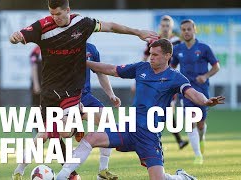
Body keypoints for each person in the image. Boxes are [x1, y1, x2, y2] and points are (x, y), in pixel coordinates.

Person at [9, 0, 158, 179]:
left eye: (58, 14)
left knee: (104, 120)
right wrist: (15, 36)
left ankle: (101, 169)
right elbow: (21, 34)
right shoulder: (43, 26)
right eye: (51, 13)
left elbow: (110, 26)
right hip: (50, 93)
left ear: (68, 10)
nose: (54, 18)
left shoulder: (82, 24)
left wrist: (138, 32)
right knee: (51, 134)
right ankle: (20, 170)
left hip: (74, 92)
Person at [56, 38, 225, 180]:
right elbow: (111, 69)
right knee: (91, 137)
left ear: (167, 56)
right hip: (128, 127)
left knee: (158, 178)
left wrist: (206, 101)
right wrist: (83, 62)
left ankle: (180, 177)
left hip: (149, 136)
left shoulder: (175, 77)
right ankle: (62, 176)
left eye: (155, 55)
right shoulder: (141, 68)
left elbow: (193, 93)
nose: (151, 58)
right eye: (150, 54)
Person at [171, 19, 220, 164]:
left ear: (194, 30)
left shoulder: (204, 48)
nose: (186, 32)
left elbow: (216, 66)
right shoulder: (178, 49)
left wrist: (205, 76)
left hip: (202, 90)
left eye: (188, 29)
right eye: (183, 30)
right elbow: (172, 68)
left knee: (200, 123)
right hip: (185, 91)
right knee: (190, 119)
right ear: (181, 32)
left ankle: (202, 136)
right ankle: (198, 155)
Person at [140, 15, 189, 149]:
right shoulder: (154, 41)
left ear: (171, 28)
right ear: (159, 27)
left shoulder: (177, 42)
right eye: (163, 25)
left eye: (168, 26)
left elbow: (180, 60)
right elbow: (145, 57)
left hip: (169, 82)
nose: (165, 28)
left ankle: (155, 139)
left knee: (165, 110)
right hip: (153, 81)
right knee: (157, 110)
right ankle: (173, 140)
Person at [82, 43, 121, 180]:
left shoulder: (91, 49)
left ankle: (103, 171)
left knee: (108, 121)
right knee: (60, 133)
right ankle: (19, 170)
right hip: (66, 98)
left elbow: (100, 72)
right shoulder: (62, 45)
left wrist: (111, 94)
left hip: (85, 96)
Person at [30, 46, 42, 138]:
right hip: (39, 83)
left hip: (48, 83)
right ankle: (37, 130)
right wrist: (36, 84)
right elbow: (33, 68)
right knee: (36, 107)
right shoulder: (36, 51)